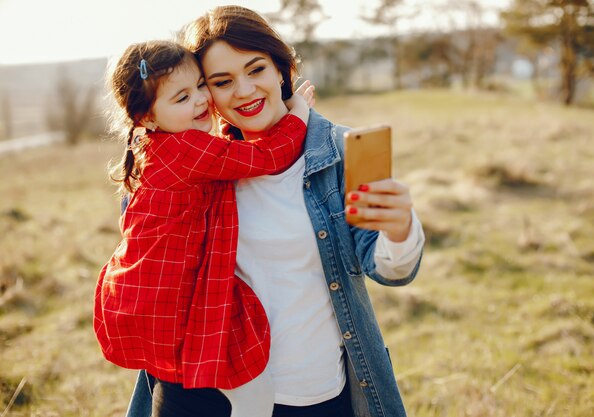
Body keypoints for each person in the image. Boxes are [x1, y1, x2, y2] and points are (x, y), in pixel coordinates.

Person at [124, 6, 425, 417]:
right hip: (209, 396)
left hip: (317, 394)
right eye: (222, 81)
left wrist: (400, 230)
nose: (244, 91)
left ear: (282, 69)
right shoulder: (188, 171)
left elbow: (390, 269)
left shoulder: (338, 152)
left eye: (256, 69)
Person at [93, 39, 315, 417]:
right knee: (253, 392)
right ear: (146, 117)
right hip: (171, 296)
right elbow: (267, 155)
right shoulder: (186, 151)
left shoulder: (156, 145)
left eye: (200, 85)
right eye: (181, 98)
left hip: (146, 290)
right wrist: (300, 113)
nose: (200, 101)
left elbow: (217, 159)